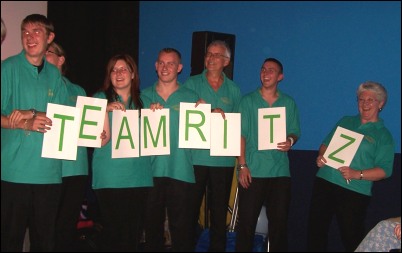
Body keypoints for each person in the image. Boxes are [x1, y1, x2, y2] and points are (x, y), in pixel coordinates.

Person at [1, 14, 68, 251]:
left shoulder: (54, 75)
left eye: (36, 31)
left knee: (44, 243)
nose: (29, 37)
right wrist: (18, 123)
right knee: (10, 241)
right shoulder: (7, 68)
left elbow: (63, 118)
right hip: (14, 173)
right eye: (25, 32)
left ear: (50, 37)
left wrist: (93, 131)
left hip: (48, 174)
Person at [307, 81, 395, 252]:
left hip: (354, 190)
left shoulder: (384, 135)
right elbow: (325, 145)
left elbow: (385, 170)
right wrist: (321, 156)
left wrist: (357, 174)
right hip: (325, 181)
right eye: (361, 99)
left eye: (371, 100)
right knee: (316, 232)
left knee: (352, 238)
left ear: (381, 104)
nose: (365, 104)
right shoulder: (346, 120)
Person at [235, 58, 301, 252]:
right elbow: (241, 135)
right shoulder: (247, 101)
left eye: (271, 70)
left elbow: (295, 130)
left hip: (280, 172)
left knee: (279, 226)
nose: (265, 73)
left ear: (280, 76)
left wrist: (290, 140)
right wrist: (242, 165)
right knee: (246, 225)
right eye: (263, 69)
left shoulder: (288, 102)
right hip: (253, 171)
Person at [91, 54, 154, 251]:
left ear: (133, 74)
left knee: (132, 236)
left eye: (123, 69)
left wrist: (156, 112)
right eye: (113, 70)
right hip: (110, 178)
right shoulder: (98, 99)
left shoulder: (145, 100)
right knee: (113, 235)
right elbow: (97, 141)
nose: (118, 74)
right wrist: (104, 111)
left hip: (139, 178)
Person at [183, 40, 241, 251]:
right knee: (189, 212)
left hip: (222, 160)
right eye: (208, 54)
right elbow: (182, 114)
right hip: (195, 159)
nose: (210, 58)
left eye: (216, 55)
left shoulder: (234, 89)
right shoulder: (190, 84)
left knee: (218, 215)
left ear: (226, 61)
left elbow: (238, 125)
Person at [141, 48, 199, 252]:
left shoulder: (193, 98)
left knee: (182, 232)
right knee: (152, 230)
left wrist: (212, 114)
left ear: (179, 68)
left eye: (171, 63)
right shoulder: (142, 97)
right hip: (150, 172)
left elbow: (203, 133)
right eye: (161, 63)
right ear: (156, 66)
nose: (165, 67)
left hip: (181, 171)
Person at [45, 41, 89, 252]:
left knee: (67, 223)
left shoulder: (77, 90)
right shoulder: (39, 86)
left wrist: (97, 131)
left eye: (49, 52)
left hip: (75, 167)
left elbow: (88, 125)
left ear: (61, 59)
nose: (43, 55)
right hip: (48, 166)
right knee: (46, 223)